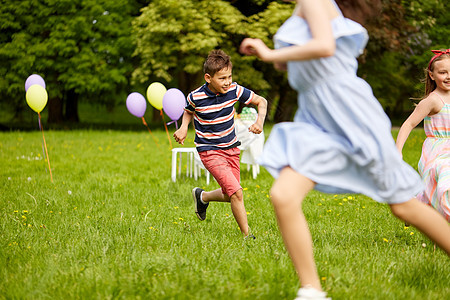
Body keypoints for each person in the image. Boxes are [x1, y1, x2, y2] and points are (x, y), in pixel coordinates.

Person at [239, 0, 450, 299]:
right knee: (283, 195)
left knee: (403, 206)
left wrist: (268, 52)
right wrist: (280, 59)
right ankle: (311, 291)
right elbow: (309, 57)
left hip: (349, 113)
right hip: (318, 117)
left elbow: (324, 46)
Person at [173, 49, 267, 239]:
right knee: (237, 193)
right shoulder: (196, 96)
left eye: (229, 76)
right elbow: (188, 111)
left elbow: (261, 101)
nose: (227, 82)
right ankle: (247, 236)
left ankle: (203, 197)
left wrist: (259, 122)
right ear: (208, 77)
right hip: (209, 151)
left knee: (229, 194)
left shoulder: (234, 90)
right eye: (222, 78)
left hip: (232, 148)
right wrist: (184, 127)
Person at [396, 49, 450, 221]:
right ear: (432, 75)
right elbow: (408, 124)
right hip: (437, 153)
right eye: (443, 72)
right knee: (444, 181)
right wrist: (397, 150)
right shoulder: (433, 101)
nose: (448, 76)